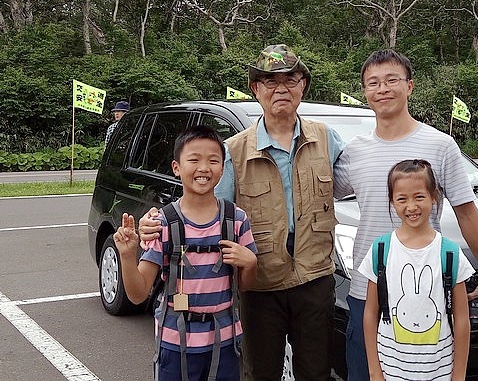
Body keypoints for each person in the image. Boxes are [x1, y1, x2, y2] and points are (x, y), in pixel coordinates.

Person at [140, 45, 345, 381]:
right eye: (269, 81)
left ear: (303, 85)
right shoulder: (233, 151)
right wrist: (157, 220)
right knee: (259, 373)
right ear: (256, 89)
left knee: (316, 372)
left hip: (315, 280)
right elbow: (203, 207)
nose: (281, 88)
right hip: (259, 285)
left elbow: (363, 185)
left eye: (290, 79)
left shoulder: (327, 139)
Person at [333, 49, 478, 380]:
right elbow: (318, 197)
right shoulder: (353, 152)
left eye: (392, 80)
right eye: (373, 83)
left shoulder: (440, 145)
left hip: (429, 295)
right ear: (364, 92)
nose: (382, 89)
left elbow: (467, 213)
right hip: (367, 292)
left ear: (409, 86)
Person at [113, 125, 258, 381]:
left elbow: (245, 286)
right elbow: (137, 295)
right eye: (194, 159)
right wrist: (127, 255)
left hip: (225, 342)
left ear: (223, 169)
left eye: (213, 160)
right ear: (176, 167)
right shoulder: (164, 223)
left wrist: (251, 264)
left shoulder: (235, 219)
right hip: (174, 344)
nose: (204, 168)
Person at [359, 159, 473, 381]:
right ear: (392, 201)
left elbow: (461, 319)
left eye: (419, 196)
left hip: (440, 372)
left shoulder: (450, 253)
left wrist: (459, 374)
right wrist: (375, 371)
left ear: (434, 196)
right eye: (402, 199)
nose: (411, 207)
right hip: (391, 372)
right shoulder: (380, 250)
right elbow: (371, 313)